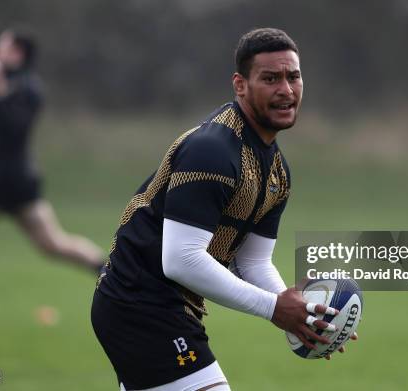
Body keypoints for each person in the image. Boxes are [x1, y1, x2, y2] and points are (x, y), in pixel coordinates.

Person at [91, 28, 357, 391]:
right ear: (240, 85)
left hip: (165, 308)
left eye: (293, 77)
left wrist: (298, 312)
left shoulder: (278, 171)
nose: (286, 89)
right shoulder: (213, 151)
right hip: (139, 305)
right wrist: (275, 309)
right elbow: (181, 259)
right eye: (270, 78)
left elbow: (253, 262)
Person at [0, 28, 105, 318]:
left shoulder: (29, 88)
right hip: (5, 183)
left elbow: (15, 130)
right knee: (53, 245)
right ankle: (107, 271)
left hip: (11, 183)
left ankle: (110, 273)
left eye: (2, 47)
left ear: (17, 53)